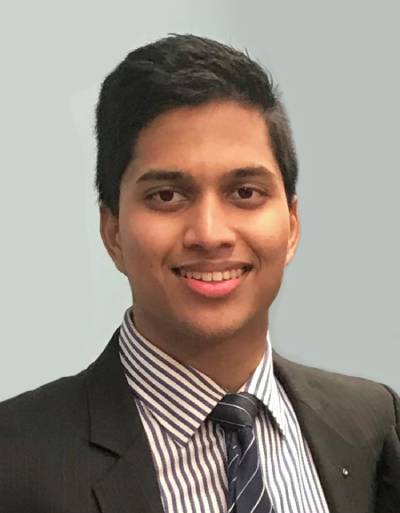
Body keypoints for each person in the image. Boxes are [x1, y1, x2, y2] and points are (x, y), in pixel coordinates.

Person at [0, 34, 398, 513]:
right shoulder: (15, 458)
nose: (210, 234)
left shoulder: (370, 423)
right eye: (167, 196)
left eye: (245, 193)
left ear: (292, 225)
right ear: (113, 231)